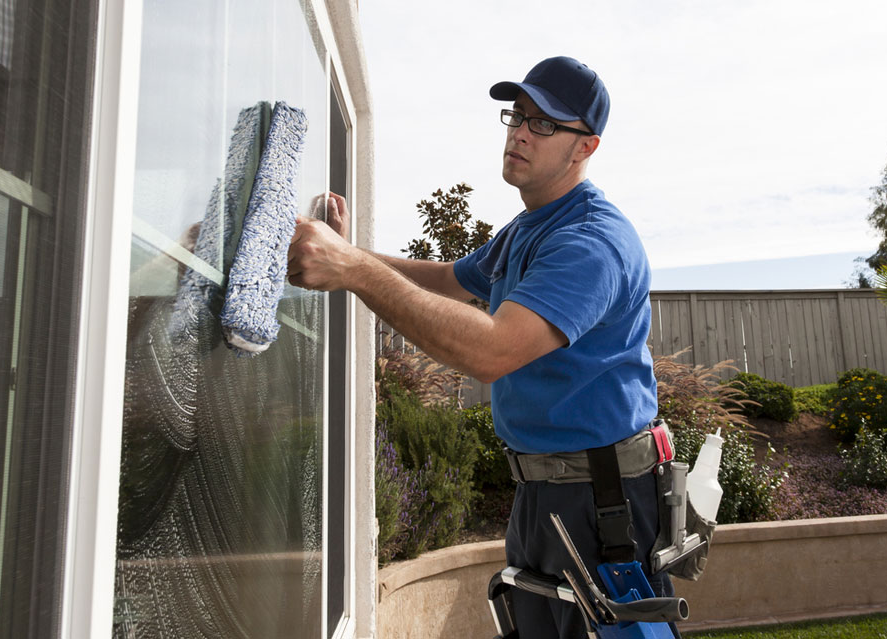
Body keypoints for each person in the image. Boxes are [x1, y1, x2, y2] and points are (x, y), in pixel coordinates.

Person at [288, 55, 675, 638]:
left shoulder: (591, 242)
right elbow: (448, 279)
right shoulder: (527, 230)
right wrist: (355, 254)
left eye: (545, 124)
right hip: (543, 492)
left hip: (602, 505)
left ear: (585, 147)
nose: (521, 131)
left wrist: (353, 272)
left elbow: (493, 352)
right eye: (517, 115)